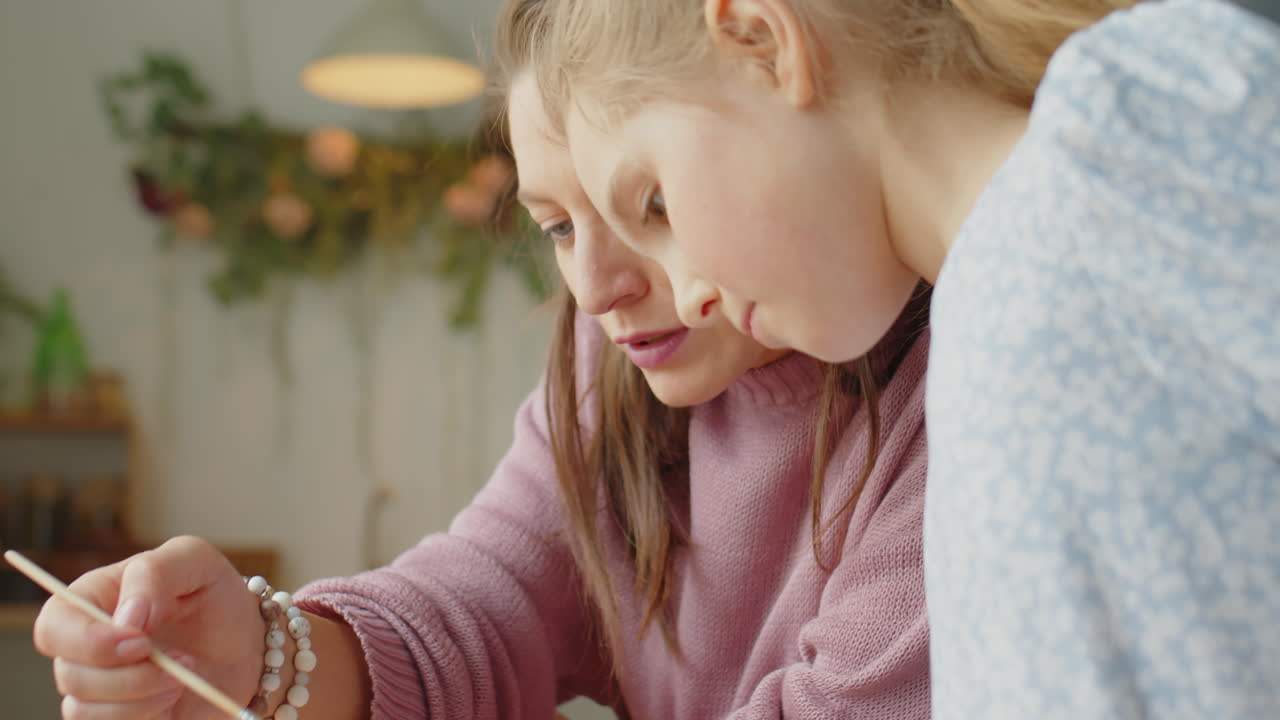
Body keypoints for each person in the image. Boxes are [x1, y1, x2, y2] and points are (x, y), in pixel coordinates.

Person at [28, 4, 934, 718]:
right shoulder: (613, 369)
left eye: (652, 203)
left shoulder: (962, 393)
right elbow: (488, 597)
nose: (596, 287)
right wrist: (267, 653)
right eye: (557, 227)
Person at [529, 0, 1280, 716]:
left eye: (656, 205)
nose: (690, 295)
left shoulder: (1122, 141)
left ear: (762, 41)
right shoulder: (980, 325)